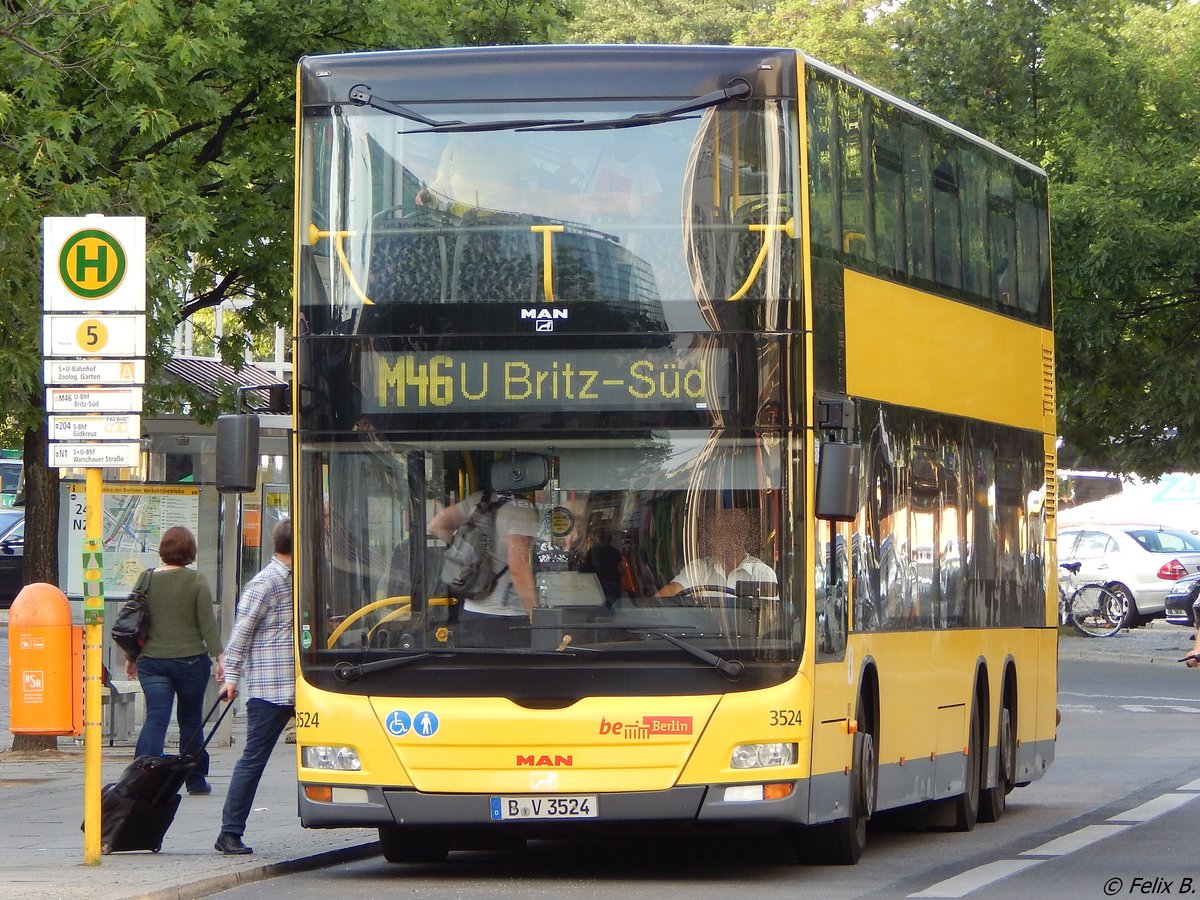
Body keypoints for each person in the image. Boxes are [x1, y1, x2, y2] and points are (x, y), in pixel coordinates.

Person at [213, 519, 294, 856]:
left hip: (301, 685)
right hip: (270, 688)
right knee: (253, 759)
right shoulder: (267, 582)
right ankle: (229, 832)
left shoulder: (296, 579)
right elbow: (241, 632)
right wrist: (231, 677)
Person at [125, 526, 224, 796]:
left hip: (152, 661)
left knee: (156, 717)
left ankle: (142, 778)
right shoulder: (196, 581)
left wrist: (131, 657)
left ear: (163, 550)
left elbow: (135, 621)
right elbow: (208, 625)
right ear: (190, 551)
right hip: (191, 661)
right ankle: (195, 780)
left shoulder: (145, 580)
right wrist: (220, 658)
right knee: (190, 720)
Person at [428, 490, 538, 647]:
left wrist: (468, 551)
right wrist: (537, 615)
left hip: (471, 613)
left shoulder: (478, 499)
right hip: (508, 617)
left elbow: (436, 526)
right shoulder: (522, 508)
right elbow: (518, 568)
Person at [656, 507, 776, 598]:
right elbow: (668, 594)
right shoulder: (699, 568)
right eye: (715, 534)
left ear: (742, 536)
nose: (714, 540)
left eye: (728, 533)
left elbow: (769, 620)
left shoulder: (763, 573)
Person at [580, 530, 623, 608]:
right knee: (612, 602)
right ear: (610, 540)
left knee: (598, 601)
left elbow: (587, 564)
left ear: (599, 539)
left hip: (597, 580)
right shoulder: (615, 551)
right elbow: (620, 568)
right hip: (612, 579)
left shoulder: (593, 551)